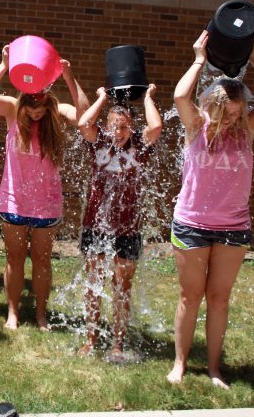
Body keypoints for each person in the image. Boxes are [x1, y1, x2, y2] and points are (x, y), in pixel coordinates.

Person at [167, 31, 254, 388]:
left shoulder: (247, 127)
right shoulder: (196, 127)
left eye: (239, 112)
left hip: (234, 228)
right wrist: (198, 59)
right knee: (190, 297)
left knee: (219, 299)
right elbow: (179, 95)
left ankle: (215, 369)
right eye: (228, 112)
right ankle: (180, 363)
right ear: (212, 106)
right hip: (191, 224)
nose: (235, 118)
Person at [0, 45, 89, 330]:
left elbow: (85, 116)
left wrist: (69, 77)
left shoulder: (56, 112)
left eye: (41, 108)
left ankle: (40, 314)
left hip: (46, 204)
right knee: (14, 258)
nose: (36, 113)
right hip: (13, 201)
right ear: (23, 101)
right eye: (32, 107)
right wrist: (3, 66)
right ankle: (13, 313)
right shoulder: (13, 111)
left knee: (42, 260)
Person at [76, 84, 162, 360]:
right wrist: (101, 97)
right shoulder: (99, 140)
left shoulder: (140, 146)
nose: (119, 132)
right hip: (96, 225)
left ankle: (117, 344)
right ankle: (90, 340)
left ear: (132, 128)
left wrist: (148, 97)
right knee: (93, 284)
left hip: (128, 228)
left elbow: (157, 127)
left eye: (124, 127)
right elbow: (83, 123)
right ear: (107, 125)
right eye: (114, 125)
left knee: (121, 288)